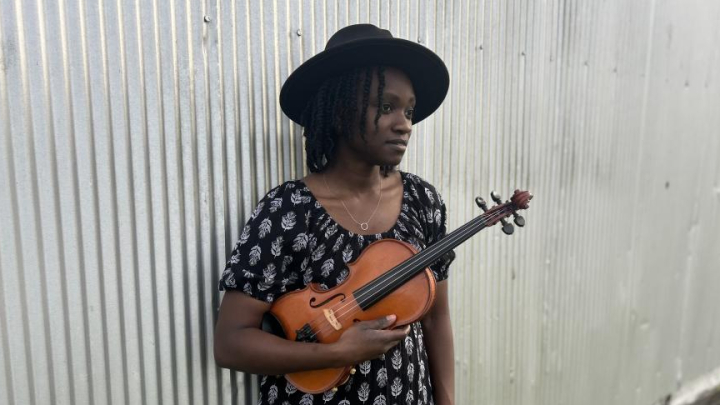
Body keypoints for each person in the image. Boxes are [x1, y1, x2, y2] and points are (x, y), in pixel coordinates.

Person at [214, 24, 456, 405]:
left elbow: (435, 317)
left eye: (408, 110)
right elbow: (231, 343)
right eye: (386, 107)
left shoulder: (422, 201)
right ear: (341, 112)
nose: (404, 124)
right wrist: (336, 354)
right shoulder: (288, 209)